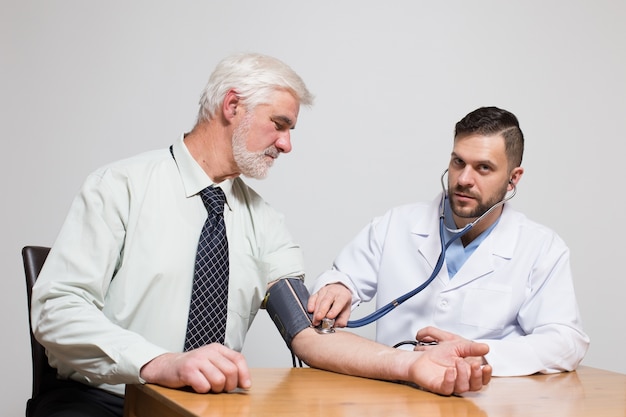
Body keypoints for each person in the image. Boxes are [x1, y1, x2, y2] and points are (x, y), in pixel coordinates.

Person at [30, 53, 491, 417]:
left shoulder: (262, 221)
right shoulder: (121, 187)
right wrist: (157, 362)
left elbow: (309, 337)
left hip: (206, 406)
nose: (288, 144)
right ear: (232, 106)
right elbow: (56, 309)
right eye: (281, 124)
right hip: (104, 401)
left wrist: (410, 364)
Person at [308, 106, 590, 377]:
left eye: (483, 168)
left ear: (512, 179)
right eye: (459, 162)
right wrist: (337, 286)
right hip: (394, 396)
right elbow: (343, 277)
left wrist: (482, 354)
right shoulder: (397, 224)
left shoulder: (540, 248)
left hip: (484, 402)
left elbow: (567, 341)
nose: (464, 179)